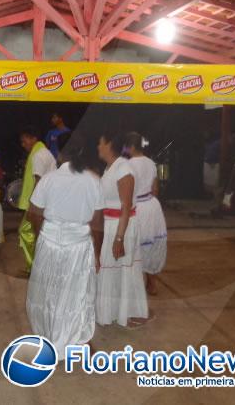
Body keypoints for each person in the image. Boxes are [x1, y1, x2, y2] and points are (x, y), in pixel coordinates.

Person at [26, 132, 104, 353]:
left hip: (50, 241)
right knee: (78, 293)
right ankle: (79, 339)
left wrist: (42, 235)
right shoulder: (93, 181)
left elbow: (34, 214)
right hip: (79, 244)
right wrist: (97, 254)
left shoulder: (49, 179)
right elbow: (98, 224)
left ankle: (49, 336)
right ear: (81, 152)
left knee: (48, 291)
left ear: (58, 153)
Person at [96, 131, 150, 328]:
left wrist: (119, 239)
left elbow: (126, 207)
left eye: (100, 143)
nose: (97, 146)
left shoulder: (124, 169)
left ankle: (126, 314)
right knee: (113, 269)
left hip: (122, 226)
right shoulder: (110, 168)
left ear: (109, 144)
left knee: (123, 269)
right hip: (111, 223)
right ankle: (112, 312)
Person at [126, 132, 167, 296]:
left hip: (137, 207)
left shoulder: (127, 165)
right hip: (152, 206)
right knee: (153, 245)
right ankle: (152, 284)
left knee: (134, 245)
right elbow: (155, 189)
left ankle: (134, 286)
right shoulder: (151, 163)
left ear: (131, 147)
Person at [18, 126, 57, 276]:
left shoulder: (38, 155)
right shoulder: (44, 152)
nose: (23, 144)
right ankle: (37, 267)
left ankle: (34, 268)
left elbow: (38, 182)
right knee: (36, 234)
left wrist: (33, 209)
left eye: (24, 140)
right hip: (47, 203)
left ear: (34, 138)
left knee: (26, 231)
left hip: (41, 205)